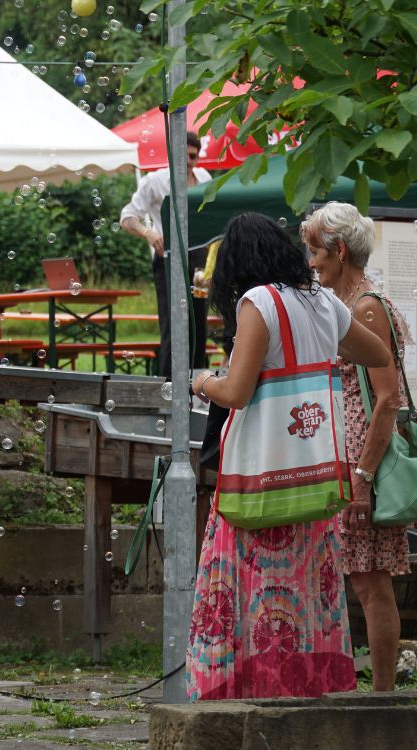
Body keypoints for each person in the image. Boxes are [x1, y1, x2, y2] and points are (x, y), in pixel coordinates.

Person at [185, 212, 390, 700]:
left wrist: (201, 381)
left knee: (247, 592)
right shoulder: (321, 300)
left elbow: (235, 392)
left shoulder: (257, 302)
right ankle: (304, 690)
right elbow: (379, 355)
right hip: (312, 479)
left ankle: (240, 692)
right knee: (304, 596)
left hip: (259, 479)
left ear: (237, 264)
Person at [302, 201, 410, 691]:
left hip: (364, 465)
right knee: (362, 579)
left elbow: (387, 399)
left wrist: (363, 480)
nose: (311, 263)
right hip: (349, 461)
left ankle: (384, 696)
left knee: (371, 583)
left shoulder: (366, 308)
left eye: (316, 252)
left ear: (340, 250)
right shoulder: (350, 306)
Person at [120, 131, 212, 378]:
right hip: (169, 257)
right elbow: (127, 217)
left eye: (193, 157)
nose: (188, 162)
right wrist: (148, 233)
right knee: (174, 325)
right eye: (183, 157)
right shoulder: (155, 180)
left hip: (200, 258)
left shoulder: (203, 178)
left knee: (198, 326)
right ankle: (170, 388)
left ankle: (197, 387)